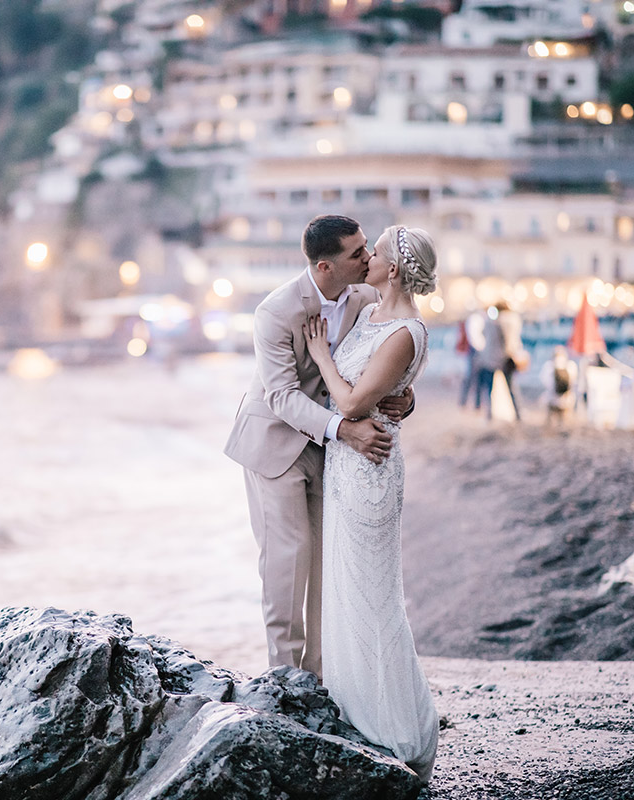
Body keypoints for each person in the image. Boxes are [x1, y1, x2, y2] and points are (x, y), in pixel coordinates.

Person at [223, 215, 413, 679]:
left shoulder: (367, 298)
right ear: (325, 267)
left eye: (367, 248)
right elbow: (282, 396)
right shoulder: (275, 311)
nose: (368, 258)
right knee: (288, 559)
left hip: (331, 453)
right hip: (274, 444)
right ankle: (284, 680)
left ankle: (322, 678)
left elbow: (382, 363)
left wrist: (403, 398)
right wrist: (345, 430)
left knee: (327, 562)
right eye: (357, 253)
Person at [303, 224, 439, 783]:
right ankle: (357, 713)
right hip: (345, 465)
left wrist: (320, 355)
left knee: (374, 594)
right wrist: (395, 398)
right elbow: (383, 392)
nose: (368, 259)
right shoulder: (368, 315)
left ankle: (397, 728)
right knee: (344, 588)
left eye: (375, 253)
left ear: (396, 269)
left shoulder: (406, 330)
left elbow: (356, 398)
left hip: (372, 468)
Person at [480, 302, 526, 421]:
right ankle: (518, 414)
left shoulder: (491, 321)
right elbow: (511, 342)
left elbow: (483, 335)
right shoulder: (513, 321)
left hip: (490, 357)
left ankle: (489, 415)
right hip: (506, 358)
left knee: (489, 388)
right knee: (511, 388)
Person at [540, 345, 577, 425]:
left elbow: (545, 383)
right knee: (566, 421)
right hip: (568, 400)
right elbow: (574, 383)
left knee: (550, 421)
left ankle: (550, 426)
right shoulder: (571, 366)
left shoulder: (548, 366)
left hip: (551, 400)